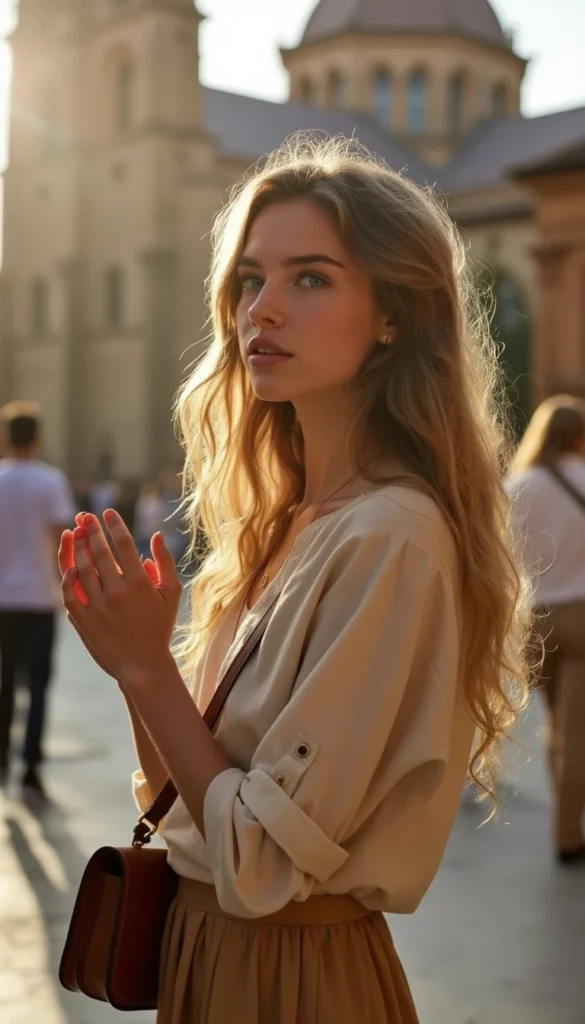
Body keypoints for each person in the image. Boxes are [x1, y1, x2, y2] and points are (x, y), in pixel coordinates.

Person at [57, 136, 530, 1023]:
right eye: (249, 279)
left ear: (392, 312)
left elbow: (262, 863)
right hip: (204, 952)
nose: (260, 311)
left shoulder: (390, 535)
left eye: (310, 278)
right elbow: (187, 803)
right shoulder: (281, 526)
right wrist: (137, 665)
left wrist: (151, 671)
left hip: (293, 975)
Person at [506, 395, 585, 866]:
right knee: (575, 730)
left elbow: (501, 560)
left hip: (537, 620)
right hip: (584, 615)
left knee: (560, 725)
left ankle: (566, 819)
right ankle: (567, 835)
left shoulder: (517, 486)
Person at [0, 401, 76, 797]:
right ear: (38, 438)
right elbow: (61, 542)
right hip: (38, 596)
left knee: (3, 682)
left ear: (6, 437)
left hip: (1, 600)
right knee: (39, 684)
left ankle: (1, 759)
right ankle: (31, 763)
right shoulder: (50, 482)